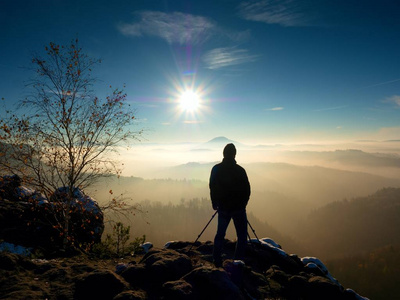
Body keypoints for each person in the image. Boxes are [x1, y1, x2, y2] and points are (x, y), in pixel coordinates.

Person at [209, 143, 251, 267]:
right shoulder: (240, 170)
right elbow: (247, 190)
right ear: (234, 154)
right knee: (242, 235)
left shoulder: (216, 169)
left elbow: (212, 187)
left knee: (220, 234)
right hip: (238, 208)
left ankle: (216, 261)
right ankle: (238, 262)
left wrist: (214, 203)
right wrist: (243, 204)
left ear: (223, 154)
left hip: (223, 208)